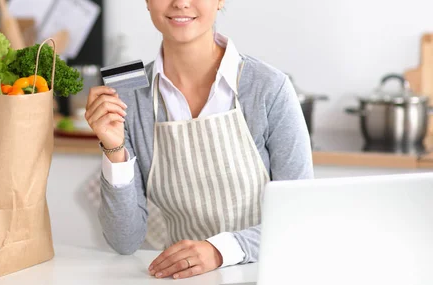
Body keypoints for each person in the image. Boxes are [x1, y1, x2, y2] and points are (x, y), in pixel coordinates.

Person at [85, 0, 313, 280]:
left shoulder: (268, 87)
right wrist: (113, 148)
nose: (180, 2)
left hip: (265, 273)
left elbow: (300, 217)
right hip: (182, 277)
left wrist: (218, 251)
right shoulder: (129, 94)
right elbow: (124, 241)